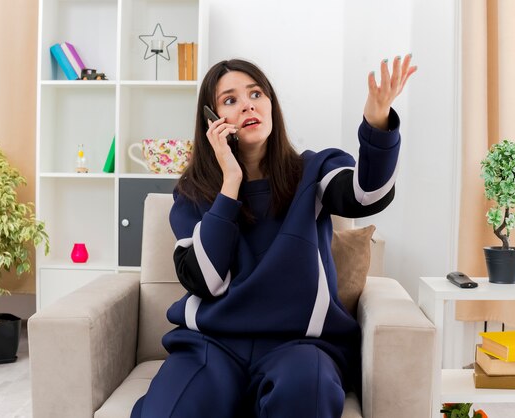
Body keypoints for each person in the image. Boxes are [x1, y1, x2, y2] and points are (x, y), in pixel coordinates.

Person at [131, 55, 417, 418]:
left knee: (305, 395)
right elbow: (207, 281)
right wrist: (230, 185)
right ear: (212, 119)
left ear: (270, 104)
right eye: (230, 100)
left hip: (299, 346)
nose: (248, 104)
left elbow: (367, 195)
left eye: (255, 93)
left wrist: (378, 120)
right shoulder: (193, 194)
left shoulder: (313, 171)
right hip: (212, 344)